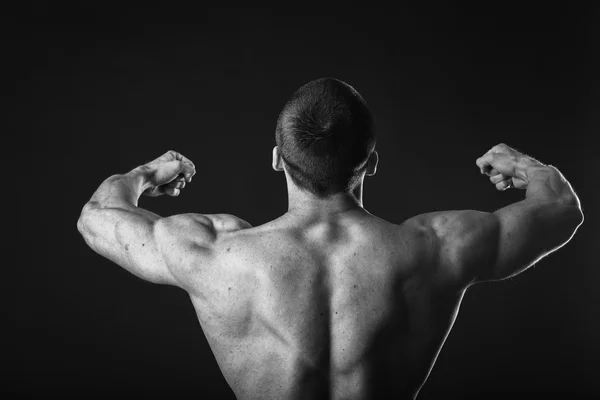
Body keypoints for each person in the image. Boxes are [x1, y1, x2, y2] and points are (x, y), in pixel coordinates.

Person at [77, 78, 584, 400]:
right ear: (372, 163)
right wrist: (524, 165)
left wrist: (151, 171)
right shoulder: (437, 248)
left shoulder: (213, 253)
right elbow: (562, 209)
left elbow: (98, 216)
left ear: (278, 159)